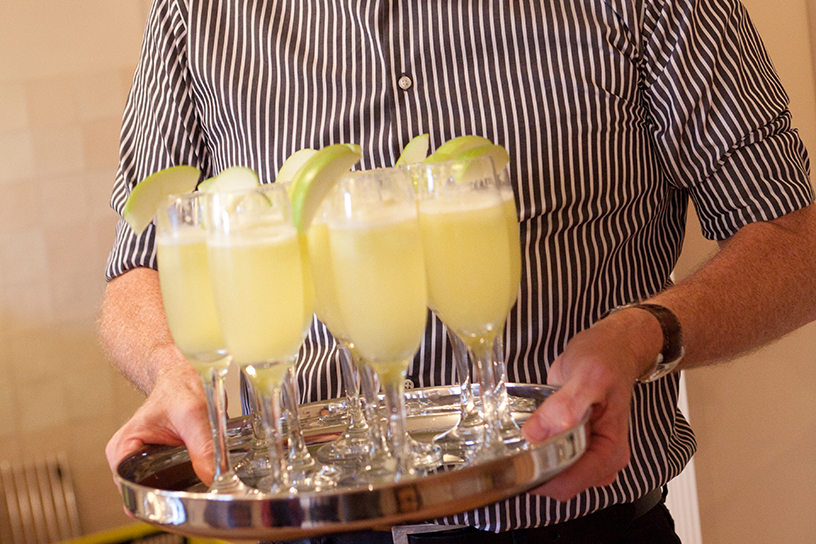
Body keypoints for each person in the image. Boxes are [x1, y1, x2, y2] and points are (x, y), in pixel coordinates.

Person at [102, 0, 816, 542]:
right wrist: (171, 365)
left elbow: (794, 237)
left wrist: (642, 333)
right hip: (314, 528)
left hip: (575, 523)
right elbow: (136, 270)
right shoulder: (197, 14)